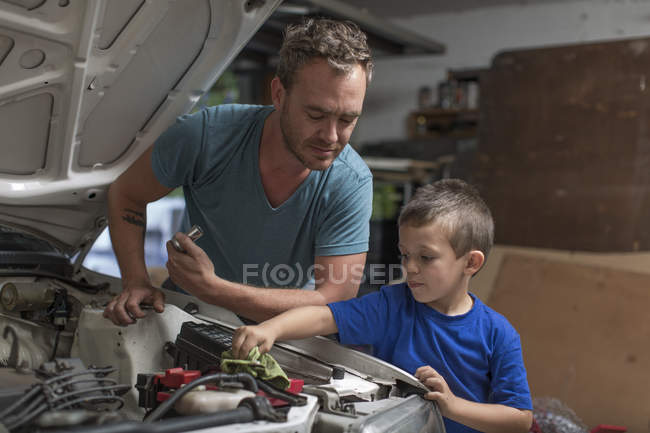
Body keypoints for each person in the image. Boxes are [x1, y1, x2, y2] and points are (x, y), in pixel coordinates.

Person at [103, 18, 374, 326]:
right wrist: (135, 280)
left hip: (282, 330)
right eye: (316, 114)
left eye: (347, 120)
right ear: (279, 94)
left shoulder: (351, 182)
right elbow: (126, 194)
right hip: (187, 315)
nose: (331, 136)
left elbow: (335, 300)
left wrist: (215, 289)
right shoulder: (205, 136)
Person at [231, 179, 534, 433]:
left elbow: (520, 419)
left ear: (471, 262)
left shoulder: (499, 334)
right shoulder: (392, 305)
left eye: (425, 257)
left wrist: (453, 406)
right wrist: (271, 329)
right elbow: (325, 317)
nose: (410, 268)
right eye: (405, 255)